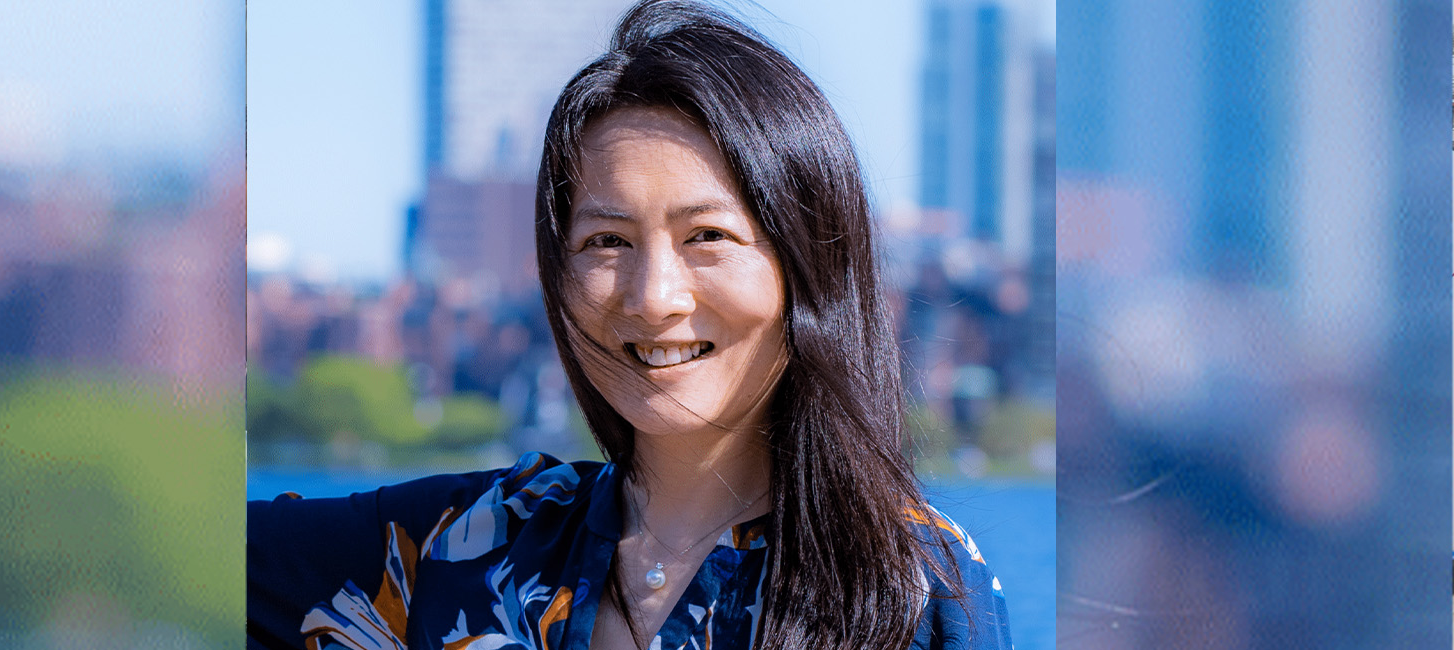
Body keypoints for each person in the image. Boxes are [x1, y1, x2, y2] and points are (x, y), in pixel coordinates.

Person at [248, 1, 1012, 648]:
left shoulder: (913, 589)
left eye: (706, 237)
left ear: (806, 261)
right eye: (606, 242)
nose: (653, 297)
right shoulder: (467, 543)